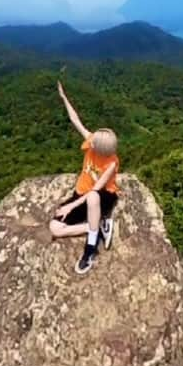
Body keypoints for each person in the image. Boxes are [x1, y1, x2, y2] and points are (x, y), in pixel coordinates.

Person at [50, 80, 119, 276]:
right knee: (54, 227)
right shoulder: (93, 144)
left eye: (93, 140)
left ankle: (90, 249)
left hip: (102, 197)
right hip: (81, 195)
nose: (90, 139)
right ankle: (96, 227)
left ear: (99, 148)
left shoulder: (111, 163)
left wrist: (70, 206)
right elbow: (75, 120)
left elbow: (96, 189)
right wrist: (63, 97)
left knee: (92, 197)